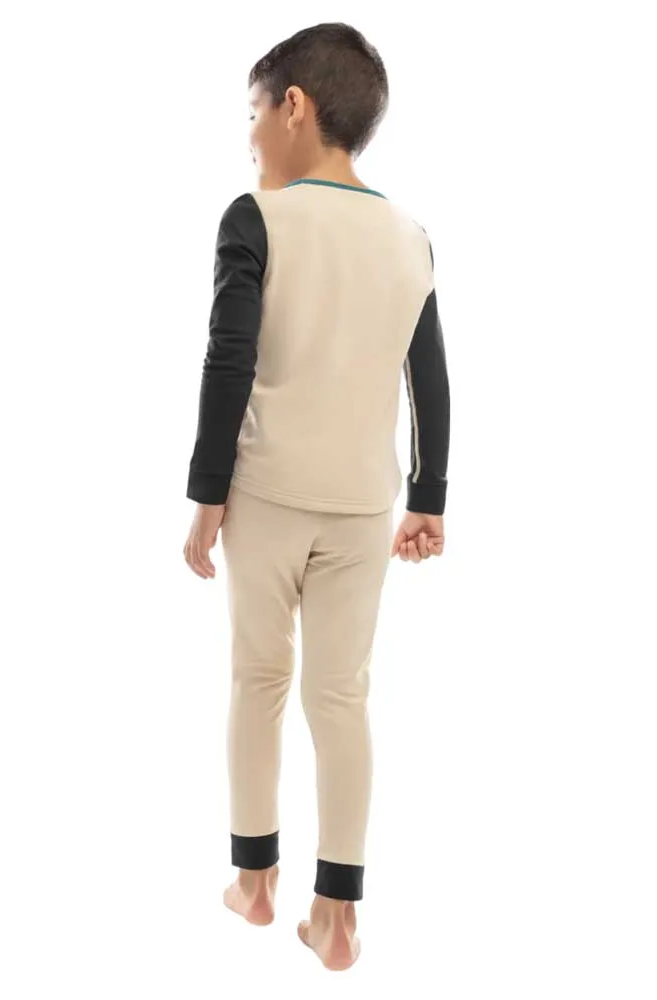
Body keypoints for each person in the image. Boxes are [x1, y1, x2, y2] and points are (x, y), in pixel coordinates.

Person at [182, 22, 450, 971]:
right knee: (342, 698)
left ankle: (255, 882)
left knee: (258, 680)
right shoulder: (410, 237)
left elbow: (228, 360)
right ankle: (336, 915)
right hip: (363, 506)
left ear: (293, 107)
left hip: (267, 496)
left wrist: (206, 496)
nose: (250, 137)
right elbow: (429, 378)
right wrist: (429, 495)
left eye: (254, 113)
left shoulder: (257, 217)